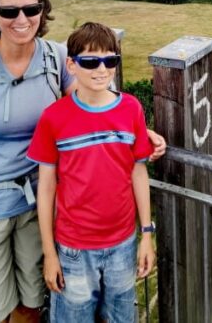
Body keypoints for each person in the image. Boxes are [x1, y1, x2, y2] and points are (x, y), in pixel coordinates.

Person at [0, 0, 165, 323]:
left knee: (31, 303)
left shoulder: (54, 57)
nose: (21, 19)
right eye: (10, 11)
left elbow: (94, 102)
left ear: (42, 11)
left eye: (31, 8)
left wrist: (139, 131)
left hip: (34, 204)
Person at [26, 22, 155, 323]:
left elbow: (138, 174)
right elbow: (46, 188)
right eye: (90, 61)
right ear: (71, 64)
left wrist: (146, 234)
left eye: (110, 60)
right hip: (73, 248)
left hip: (123, 242)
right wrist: (50, 253)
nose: (102, 69)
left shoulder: (131, 109)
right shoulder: (54, 118)